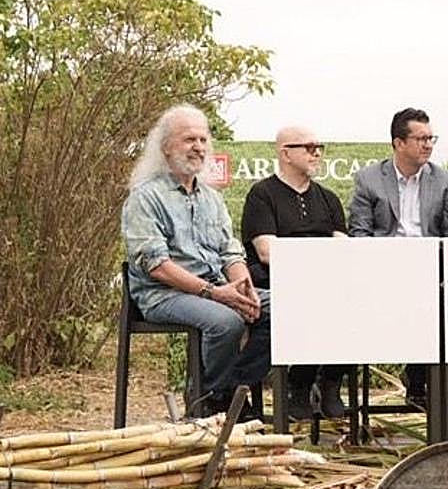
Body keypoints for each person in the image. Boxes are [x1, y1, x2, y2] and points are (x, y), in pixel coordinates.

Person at [122, 104, 271, 418]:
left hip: (215, 288)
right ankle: (215, 398)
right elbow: (158, 266)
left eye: (203, 140)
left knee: (285, 309)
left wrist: (243, 287)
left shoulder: (211, 197)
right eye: (189, 139)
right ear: (166, 147)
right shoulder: (145, 197)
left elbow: (230, 252)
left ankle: (226, 390)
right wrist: (215, 293)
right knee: (226, 321)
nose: (199, 147)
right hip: (164, 294)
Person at [348, 108, 448, 407]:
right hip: (382, 267)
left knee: (436, 301)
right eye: (421, 139)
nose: (428, 145)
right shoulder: (369, 179)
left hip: (430, 269)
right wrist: (382, 266)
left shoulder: (445, 180)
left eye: (431, 138)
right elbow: (360, 232)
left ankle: (420, 381)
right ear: (398, 143)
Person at [241, 126, 348, 420]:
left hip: (327, 283)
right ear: (285, 153)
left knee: (353, 303)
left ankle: (331, 380)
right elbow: (267, 252)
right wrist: (318, 262)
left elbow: (343, 249)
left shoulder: (328, 198)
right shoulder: (262, 195)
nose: (316, 153)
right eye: (309, 147)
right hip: (279, 282)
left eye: (319, 147)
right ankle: (299, 384)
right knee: (310, 302)